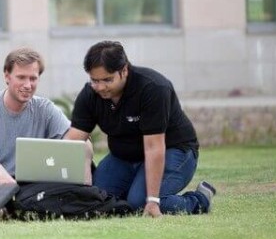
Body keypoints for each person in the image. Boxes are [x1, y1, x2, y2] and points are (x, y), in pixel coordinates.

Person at [64, 40, 216, 217]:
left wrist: (152, 200)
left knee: (140, 203)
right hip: (125, 157)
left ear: (124, 70)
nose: (100, 87)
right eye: (94, 80)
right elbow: (74, 139)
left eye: (107, 80)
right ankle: (137, 190)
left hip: (174, 151)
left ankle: (199, 199)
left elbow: (154, 147)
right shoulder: (90, 94)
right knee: (97, 199)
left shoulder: (153, 88)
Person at [0, 47, 87, 213]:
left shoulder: (45, 108)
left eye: (33, 78)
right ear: (7, 76)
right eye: (21, 77)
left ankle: (19, 209)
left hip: (29, 187)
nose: (28, 85)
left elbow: (76, 141)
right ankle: (4, 209)